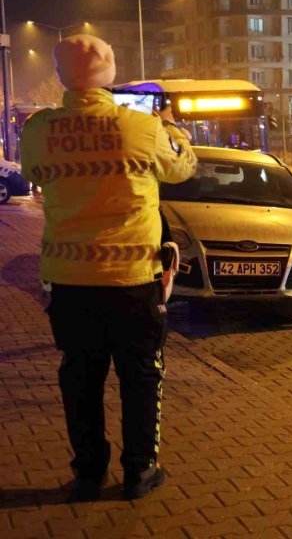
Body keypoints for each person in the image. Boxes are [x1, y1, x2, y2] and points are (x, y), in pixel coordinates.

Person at [19, 35, 197, 502]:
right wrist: (171, 126)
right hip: (133, 281)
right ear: (111, 73)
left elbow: (33, 174)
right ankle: (140, 471)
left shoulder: (39, 128)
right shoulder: (141, 127)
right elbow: (182, 169)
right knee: (140, 376)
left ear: (60, 77)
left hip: (70, 283)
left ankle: (88, 472)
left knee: (80, 378)